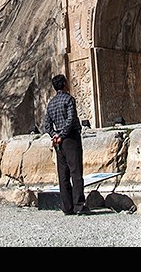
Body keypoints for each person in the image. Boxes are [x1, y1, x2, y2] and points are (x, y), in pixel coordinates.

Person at [43, 74, 88, 215]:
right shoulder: (69, 99)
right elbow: (71, 119)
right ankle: (79, 205)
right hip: (70, 139)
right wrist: (62, 135)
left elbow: (47, 124)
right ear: (64, 84)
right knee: (76, 172)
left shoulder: (51, 103)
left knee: (63, 175)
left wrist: (54, 135)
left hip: (58, 142)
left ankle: (67, 207)